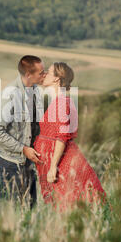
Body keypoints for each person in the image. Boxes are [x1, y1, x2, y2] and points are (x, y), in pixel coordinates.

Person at [34, 62, 107, 212]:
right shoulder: (59, 101)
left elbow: (61, 137)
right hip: (58, 161)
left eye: (48, 72)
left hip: (63, 163)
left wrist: (53, 167)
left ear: (56, 78)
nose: (44, 75)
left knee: (69, 202)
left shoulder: (62, 102)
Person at [0, 55, 46, 209]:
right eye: (41, 72)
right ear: (28, 75)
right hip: (10, 160)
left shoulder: (35, 90)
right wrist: (23, 149)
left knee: (31, 207)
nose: (44, 75)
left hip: (27, 157)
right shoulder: (9, 96)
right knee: (11, 210)